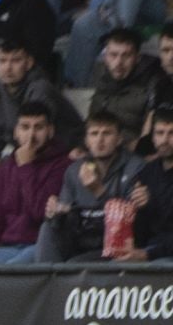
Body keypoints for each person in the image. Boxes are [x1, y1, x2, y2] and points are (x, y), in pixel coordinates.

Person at [0, 101, 70, 263]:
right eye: (25, 127)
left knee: (4, 277)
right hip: (5, 246)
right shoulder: (6, 166)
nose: (31, 135)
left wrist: (26, 167)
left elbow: (39, 212)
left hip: (39, 246)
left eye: (38, 128)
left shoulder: (63, 165)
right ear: (16, 132)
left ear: (50, 131)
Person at [36, 110, 148, 261]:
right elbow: (67, 216)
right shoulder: (74, 169)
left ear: (119, 139)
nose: (100, 140)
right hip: (82, 238)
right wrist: (56, 212)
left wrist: (98, 191)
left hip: (115, 245)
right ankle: (45, 279)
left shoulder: (136, 166)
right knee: (48, 228)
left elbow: (126, 225)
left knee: (72, 266)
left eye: (107, 133)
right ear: (87, 140)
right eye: (94, 134)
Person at [0, 38, 80, 176]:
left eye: (15, 60)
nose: (8, 68)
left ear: (29, 63)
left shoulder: (40, 88)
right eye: (2, 61)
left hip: (63, 157)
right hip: (26, 157)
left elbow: (35, 142)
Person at [89, 27, 162, 145]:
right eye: (113, 55)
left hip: (133, 152)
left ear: (137, 58)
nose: (118, 62)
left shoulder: (154, 83)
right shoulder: (101, 76)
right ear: (105, 56)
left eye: (126, 55)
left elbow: (149, 137)